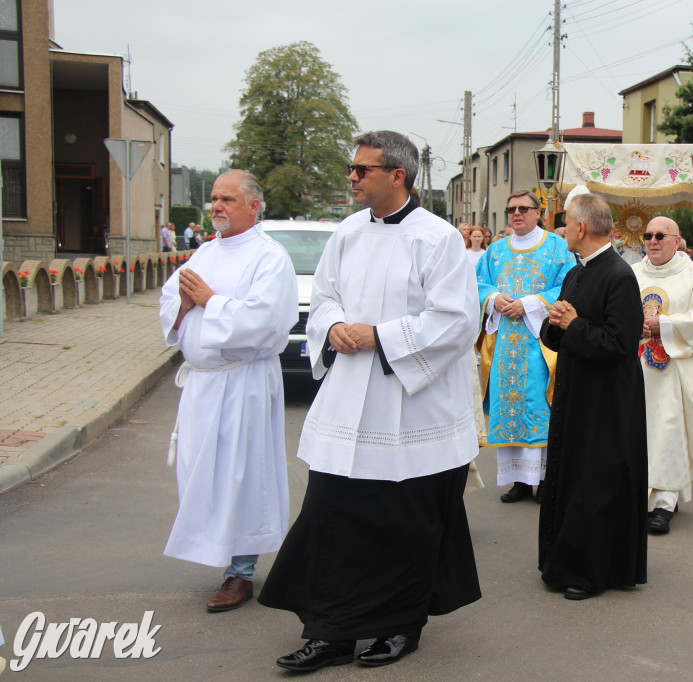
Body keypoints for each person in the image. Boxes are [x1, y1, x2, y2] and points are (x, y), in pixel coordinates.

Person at [258, 131, 481, 672]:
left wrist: (379, 336)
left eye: (362, 169)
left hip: (409, 403)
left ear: (397, 175)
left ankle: (399, 626)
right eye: (352, 169)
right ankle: (330, 632)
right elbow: (326, 296)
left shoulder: (439, 238)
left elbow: (455, 320)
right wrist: (333, 326)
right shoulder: (348, 232)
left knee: (402, 522)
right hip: (349, 399)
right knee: (331, 514)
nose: (352, 178)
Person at [158, 169, 298, 612]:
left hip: (243, 382)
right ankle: (218, 551)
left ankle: (241, 573)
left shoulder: (269, 257)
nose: (216, 206)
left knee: (242, 473)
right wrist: (183, 303)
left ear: (253, 205)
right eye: (214, 199)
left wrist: (210, 301)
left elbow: (266, 321)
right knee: (204, 474)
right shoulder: (203, 252)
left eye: (227, 199)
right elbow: (170, 301)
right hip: (202, 385)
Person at [539, 193, 647, 600]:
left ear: (581, 228)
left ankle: (591, 571)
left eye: (566, 223)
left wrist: (573, 323)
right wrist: (555, 322)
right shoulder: (575, 272)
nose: (562, 230)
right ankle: (561, 561)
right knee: (571, 475)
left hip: (607, 400)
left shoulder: (619, 275)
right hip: (576, 392)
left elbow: (621, 344)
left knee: (595, 482)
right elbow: (564, 331)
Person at [632, 217, 693, 534]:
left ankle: (663, 504)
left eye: (661, 235)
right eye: (648, 235)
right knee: (637, 434)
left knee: (669, 433)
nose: (653, 240)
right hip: (636, 371)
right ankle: (635, 497)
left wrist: (666, 325)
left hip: (675, 374)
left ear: (678, 241)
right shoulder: (631, 274)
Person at [476, 190, 574, 502]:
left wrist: (530, 304)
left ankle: (546, 480)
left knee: (540, 407)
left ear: (537, 212)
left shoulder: (558, 247)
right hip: (505, 344)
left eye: (523, 208)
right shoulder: (494, 250)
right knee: (510, 409)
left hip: (541, 344)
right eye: (511, 209)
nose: (516, 214)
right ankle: (519, 480)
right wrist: (493, 299)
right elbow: (478, 284)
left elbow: (569, 284)